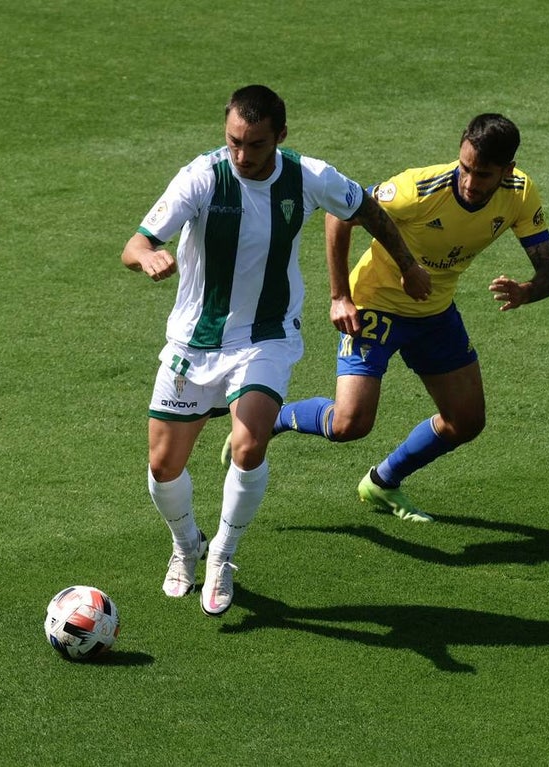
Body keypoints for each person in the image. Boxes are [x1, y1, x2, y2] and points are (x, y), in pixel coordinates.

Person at [122, 85, 430, 616]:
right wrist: (148, 258)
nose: (243, 155)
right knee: (163, 465)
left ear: (280, 137)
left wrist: (406, 264)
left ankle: (222, 553)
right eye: (234, 142)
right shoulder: (202, 176)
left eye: (256, 145)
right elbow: (136, 243)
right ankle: (185, 544)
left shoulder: (309, 176)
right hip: (194, 340)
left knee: (248, 443)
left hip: (266, 336)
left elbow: (369, 213)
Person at [224, 113, 549, 522]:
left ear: (507, 171)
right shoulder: (416, 189)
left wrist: (526, 291)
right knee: (349, 425)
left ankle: (382, 482)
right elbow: (340, 213)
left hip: (435, 314)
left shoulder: (520, 193)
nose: (470, 182)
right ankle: (274, 417)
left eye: (484, 175)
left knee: (467, 421)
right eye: (465, 167)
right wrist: (339, 296)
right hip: (373, 307)